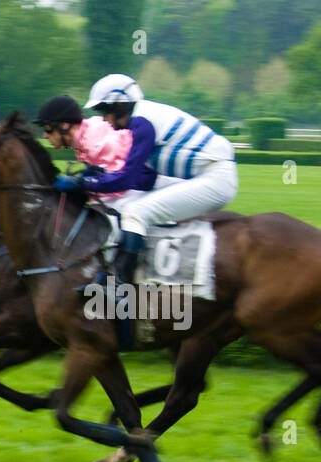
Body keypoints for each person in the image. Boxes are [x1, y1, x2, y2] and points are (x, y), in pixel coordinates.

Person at [53, 74, 237, 317]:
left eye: (104, 110)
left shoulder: (142, 123)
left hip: (215, 179)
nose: (104, 118)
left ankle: (119, 287)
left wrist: (82, 183)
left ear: (120, 105)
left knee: (135, 213)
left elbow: (126, 180)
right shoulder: (141, 120)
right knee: (133, 208)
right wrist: (97, 175)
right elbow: (142, 178)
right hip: (209, 176)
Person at [34, 94, 132, 201]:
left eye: (48, 128)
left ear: (64, 125)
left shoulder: (93, 143)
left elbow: (122, 182)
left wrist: (82, 183)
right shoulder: (83, 139)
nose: (45, 135)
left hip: (137, 193)